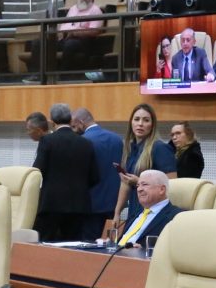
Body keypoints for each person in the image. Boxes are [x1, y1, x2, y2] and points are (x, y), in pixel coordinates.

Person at [30, 104, 98, 243]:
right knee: (72, 248)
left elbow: (37, 170)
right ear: (70, 120)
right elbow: (95, 177)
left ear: (52, 122)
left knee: (46, 246)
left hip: (51, 204)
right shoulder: (86, 143)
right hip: (79, 205)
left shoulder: (47, 141)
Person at [106, 103, 176, 238]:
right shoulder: (130, 149)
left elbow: (172, 184)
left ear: (152, 125)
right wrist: (116, 213)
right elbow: (125, 183)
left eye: (146, 120)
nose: (140, 124)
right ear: (131, 123)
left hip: (153, 216)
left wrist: (139, 182)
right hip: (134, 212)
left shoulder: (160, 148)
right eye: (137, 119)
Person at [73, 107, 123, 243]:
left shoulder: (82, 142)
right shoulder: (117, 139)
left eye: (74, 126)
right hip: (114, 204)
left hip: (90, 205)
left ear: (80, 122)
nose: (73, 129)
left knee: (88, 248)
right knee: (109, 244)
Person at [116, 170, 178, 249]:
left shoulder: (176, 217)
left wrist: (143, 250)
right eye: (138, 185)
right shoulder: (136, 213)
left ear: (162, 189)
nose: (139, 189)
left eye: (144, 184)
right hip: (115, 257)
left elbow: (174, 249)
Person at [57, 0, 106, 68]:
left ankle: (65, 76)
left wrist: (74, 33)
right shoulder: (73, 9)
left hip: (83, 41)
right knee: (40, 43)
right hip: (65, 38)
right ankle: (37, 75)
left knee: (69, 45)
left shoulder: (96, 10)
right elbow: (65, 25)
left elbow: (94, 31)